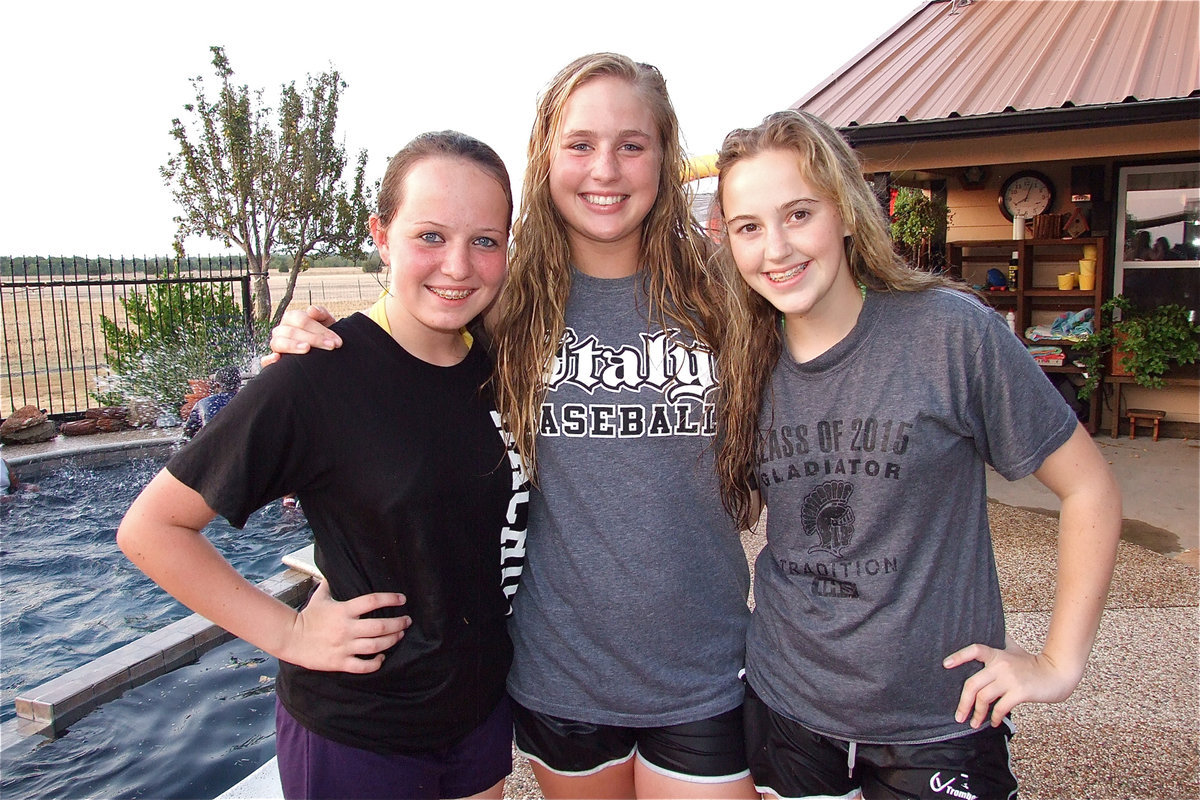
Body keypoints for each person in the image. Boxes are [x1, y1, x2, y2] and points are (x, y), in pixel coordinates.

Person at [267, 53, 757, 800]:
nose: (605, 169)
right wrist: (310, 343)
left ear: (664, 156)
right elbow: (407, 341)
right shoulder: (503, 302)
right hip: (563, 674)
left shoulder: (726, 296)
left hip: (706, 668)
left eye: (632, 145)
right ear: (545, 157)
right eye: (580, 144)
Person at [710, 110, 1122, 800]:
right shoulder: (743, 359)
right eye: (748, 227)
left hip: (940, 715)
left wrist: (1058, 662)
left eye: (799, 214)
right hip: (787, 707)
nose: (775, 249)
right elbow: (741, 507)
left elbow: (1090, 489)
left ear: (846, 211)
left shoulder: (950, 334)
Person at [118, 131, 529, 800]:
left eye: (484, 240)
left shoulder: (500, 364)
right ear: (381, 235)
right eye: (430, 236)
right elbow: (151, 529)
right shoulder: (316, 376)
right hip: (360, 733)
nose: (457, 265)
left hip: (476, 717)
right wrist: (289, 632)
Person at [182, 365, 242, 438]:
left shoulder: (203, 404)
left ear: (217, 385)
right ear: (239, 384)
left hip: (214, 443)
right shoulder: (247, 401)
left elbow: (188, 434)